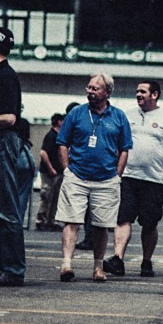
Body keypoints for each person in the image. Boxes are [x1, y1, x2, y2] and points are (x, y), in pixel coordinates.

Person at [103, 81, 163, 279]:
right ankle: (118, 259)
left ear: (154, 95)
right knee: (123, 218)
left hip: (154, 180)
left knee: (149, 223)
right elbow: (116, 144)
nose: (138, 94)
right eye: (137, 91)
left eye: (142, 91)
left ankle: (147, 261)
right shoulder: (127, 116)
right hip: (128, 177)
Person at [55, 73, 133, 282]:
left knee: (101, 225)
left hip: (106, 180)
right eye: (88, 88)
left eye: (94, 89)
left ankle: (98, 267)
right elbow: (62, 142)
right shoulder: (76, 113)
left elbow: (125, 148)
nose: (89, 92)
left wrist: (117, 175)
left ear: (107, 92)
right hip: (77, 177)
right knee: (71, 221)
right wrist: (67, 170)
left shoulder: (119, 117)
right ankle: (66, 264)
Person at [0, 27, 34, 287]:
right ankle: (11, 268)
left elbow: (9, 118)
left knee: (7, 208)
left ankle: (13, 270)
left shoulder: (5, 75)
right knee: (6, 207)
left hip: (1, 142)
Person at [36, 113, 66, 231]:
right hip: (50, 172)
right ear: (59, 122)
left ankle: (50, 220)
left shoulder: (58, 136)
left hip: (57, 171)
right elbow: (43, 153)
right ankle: (41, 220)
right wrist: (50, 168)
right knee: (47, 195)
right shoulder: (51, 136)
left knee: (54, 197)